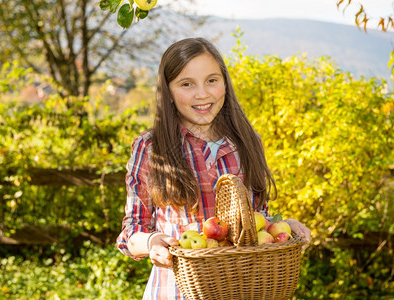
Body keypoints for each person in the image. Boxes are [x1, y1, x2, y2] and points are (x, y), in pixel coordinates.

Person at [116, 37, 311, 300]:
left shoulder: (247, 141)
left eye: (212, 80)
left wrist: (283, 228)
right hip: (176, 290)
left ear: (225, 83)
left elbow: (255, 219)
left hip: (241, 288)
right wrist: (150, 243)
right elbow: (131, 229)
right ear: (169, 92)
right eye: (187, 84)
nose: (202, 94)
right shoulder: (152, 147)